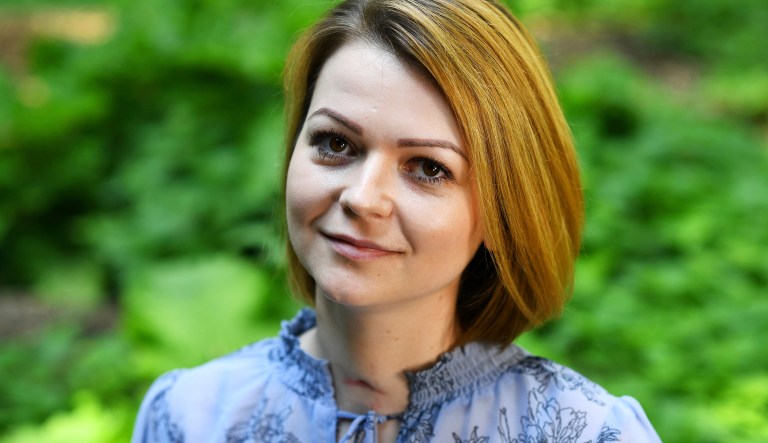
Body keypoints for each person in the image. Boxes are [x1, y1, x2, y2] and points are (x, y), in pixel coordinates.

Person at [132, 0, 662, 441]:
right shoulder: (189, 418)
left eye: (428, 168)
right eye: (336, 143)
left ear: (503, 207)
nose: (363, 198)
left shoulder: (586, 433)